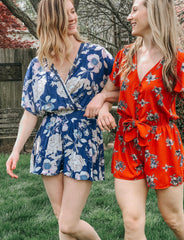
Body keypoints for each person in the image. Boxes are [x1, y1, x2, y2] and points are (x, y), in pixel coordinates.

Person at [84, 0, 184, 239]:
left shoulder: (178, 61)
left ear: (154, 12)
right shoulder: (124, 56)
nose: (129, 16)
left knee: (173, 218)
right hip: (128, 143)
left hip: (163, 144)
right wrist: (103, 107)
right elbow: (112, 93)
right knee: (131, 221)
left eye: (134, 10)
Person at [6, 0, 114, 239]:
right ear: (52, 21)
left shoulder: (97, 55)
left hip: (83, 137)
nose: (73, 18)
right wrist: (16, 150)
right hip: (49, 141)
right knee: (60, 216)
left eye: (73, 11)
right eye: (67, 15)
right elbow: (31, 111)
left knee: (68, 222)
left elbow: (124, 89)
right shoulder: (38, 65)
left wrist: (103, 99)